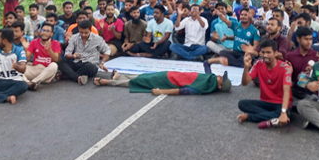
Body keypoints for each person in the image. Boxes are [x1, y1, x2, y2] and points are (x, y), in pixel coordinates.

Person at [237, 39, 292, 129]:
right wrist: (246, 67)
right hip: (265, 102)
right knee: (242, 104)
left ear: (275, 53)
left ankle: (250, 117)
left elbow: (287, 91)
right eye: (263, 52)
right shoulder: (259, 63)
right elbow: (245, 83)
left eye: (268, 52)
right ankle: (272, 117)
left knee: (285, 113)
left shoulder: (285, 68)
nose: (265, 55)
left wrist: (283, 112)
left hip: (280, 104)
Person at [94, 69, 231, 96]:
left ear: (219, 86)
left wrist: (161, 91)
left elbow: (180, 91)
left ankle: (108, 82)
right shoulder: (209, 78)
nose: (219, 76)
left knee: (140, 82)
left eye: (221, 79)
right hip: (170, 74)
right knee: (143, 77)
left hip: (168, 82)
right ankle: (119, 76)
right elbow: (206, 64)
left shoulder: (200, 88)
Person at [61, 20, 111, 85]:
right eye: (81, 32)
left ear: (90, 30)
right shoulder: (74, 37)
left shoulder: (97, 39)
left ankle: (67, 75)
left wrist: (102, 62)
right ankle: (76, 77)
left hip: (90, 64)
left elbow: (107, 50)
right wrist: (73, 56)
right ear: (78, 29)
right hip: (77, 62)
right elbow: (67, 53)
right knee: (60, 61)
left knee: (90, 67)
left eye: (86, 33)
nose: (83, 35)